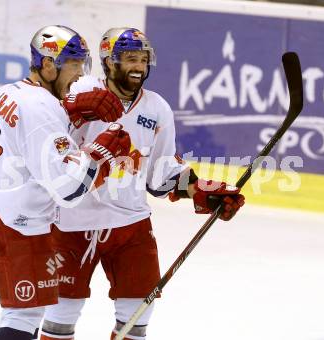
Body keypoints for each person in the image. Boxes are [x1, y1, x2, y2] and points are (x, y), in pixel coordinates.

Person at [40, 28, 245, 340]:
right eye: (129, 59)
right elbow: (45, 132)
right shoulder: (79, 88)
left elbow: (162, 173)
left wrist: (199, 189)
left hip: (130, 225)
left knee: (137, 315)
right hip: (72, 222)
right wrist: (72, 106)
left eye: (143, 59)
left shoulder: (157, 108)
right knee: (60, 315)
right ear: (109, 62)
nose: (138, 66)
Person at [0, 25, 130, 340]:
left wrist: (72, 115)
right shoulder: (41, 107)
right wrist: (99, 154)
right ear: (47, 64)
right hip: (18, 223)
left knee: (21, 311)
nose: (80, 74)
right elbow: (68, 189)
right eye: (73, 64)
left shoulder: (7, 93)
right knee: (23, 315)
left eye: (83, 64)